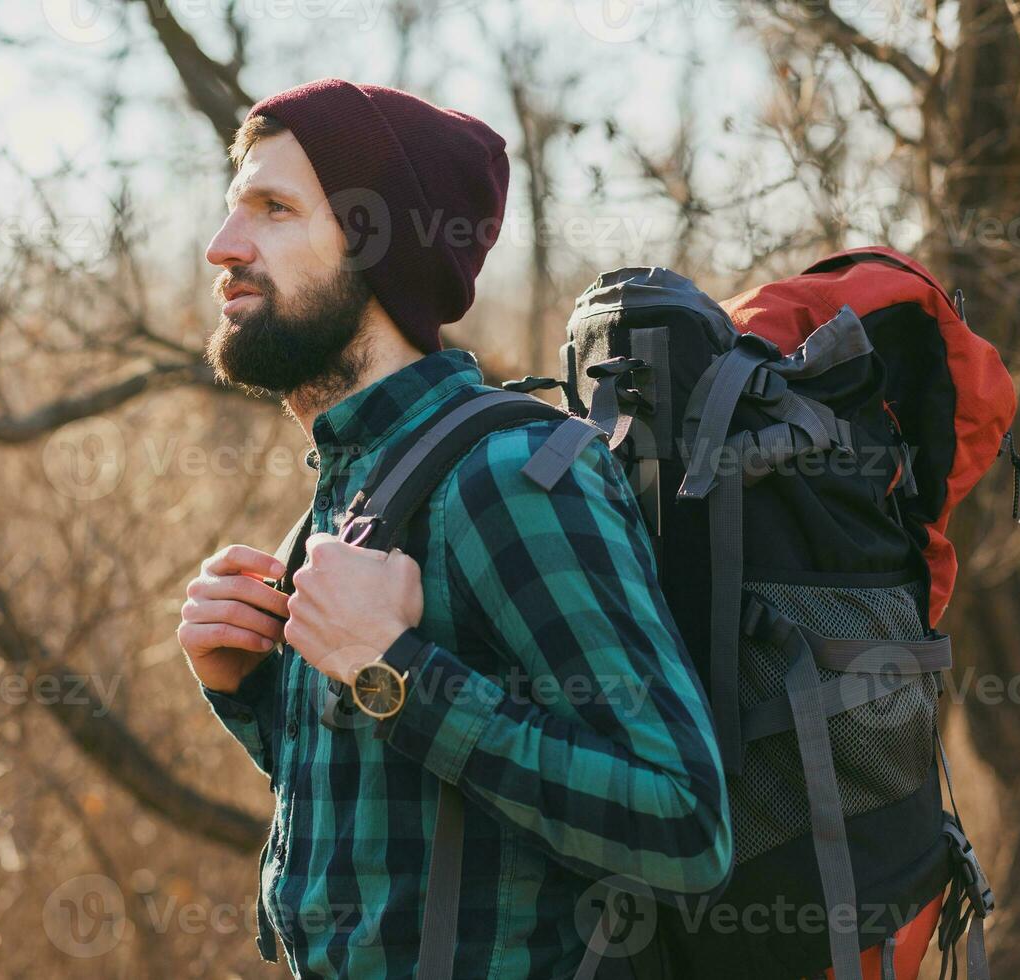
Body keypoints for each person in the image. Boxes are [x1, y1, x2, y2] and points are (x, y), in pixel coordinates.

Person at [178, 77, 731, 978]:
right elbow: (399, 824)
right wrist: (246, 686)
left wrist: (393, 673)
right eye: (234, 209)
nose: (222, 247)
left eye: (273, 210)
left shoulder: (511, 479)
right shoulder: (347, 495)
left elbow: (683, 825)